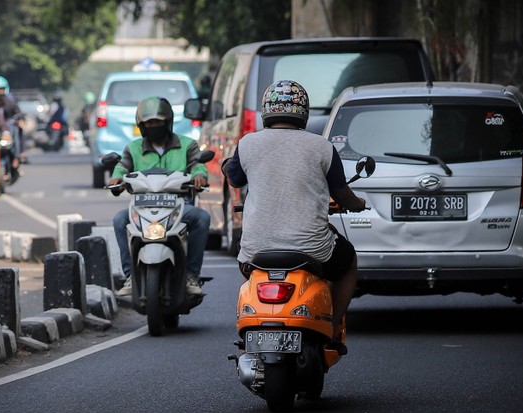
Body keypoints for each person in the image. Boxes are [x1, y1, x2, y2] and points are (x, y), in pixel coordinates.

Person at [222, 80, 366, 354]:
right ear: (304, 111)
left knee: (250, 276)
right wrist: (357, 204)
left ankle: (252, 325)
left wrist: (227, 166)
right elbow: (342, 194)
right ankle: (332, 329)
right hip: (313, 250)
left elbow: (235, 179)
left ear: (267, 111)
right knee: (349, 263)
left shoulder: (247, 143)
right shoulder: (322, 147)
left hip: (255, 249)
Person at [108, 96, 211, 297]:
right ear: (142, 125)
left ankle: (191, 274)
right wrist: (115, 180)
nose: (153, 126)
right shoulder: (133, 148)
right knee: (119, 219)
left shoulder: (187, 145)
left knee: (202, 218)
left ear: (167, 122)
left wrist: (200, 176)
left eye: (157, 122)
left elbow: (197, 164)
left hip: (178, 206)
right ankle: (130, 276)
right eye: (149, 123)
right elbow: (121, 167)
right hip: (142, 207)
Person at [0, 74, 26, 167]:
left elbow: (18, 112)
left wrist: (20, 119)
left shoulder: (10, 100)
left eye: (0, 89)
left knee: (16, 130)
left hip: (8, 126)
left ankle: (17, 155)